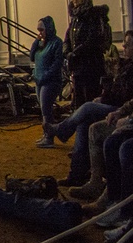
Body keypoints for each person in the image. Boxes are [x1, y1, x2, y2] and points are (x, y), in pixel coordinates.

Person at [50, 30, 133, 185]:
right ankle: (77, 174)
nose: (123, 46)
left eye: (127, 44)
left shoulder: (129, 68)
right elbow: (117, 90)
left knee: (88, 108)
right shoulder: (126, 65)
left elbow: (124, 95)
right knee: (84, 122)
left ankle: (62, 129)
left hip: (120, 109)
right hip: (116, 106)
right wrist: (103, 96)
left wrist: (105, 99)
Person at [63, 0, 111, 109]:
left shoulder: (92, 16)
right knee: (79, 100)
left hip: (91, 66)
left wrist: (75, 53)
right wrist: (67, 52)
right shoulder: (75, 20)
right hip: (78, 67)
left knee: (89, 97)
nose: (74, 1)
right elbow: (67, 38)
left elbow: (93, 39)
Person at [31, 16, 65, 147]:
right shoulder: (41, 43)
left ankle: (49, 137)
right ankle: (46, 134)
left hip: (50, 81)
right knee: (43, 109)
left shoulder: (57, 43)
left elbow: (57, 63)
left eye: (42, 30)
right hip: (40, 81)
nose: (40, 33)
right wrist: (36, 41)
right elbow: (32, 56)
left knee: (46, 109)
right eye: (38, 30)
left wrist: (45, 76)